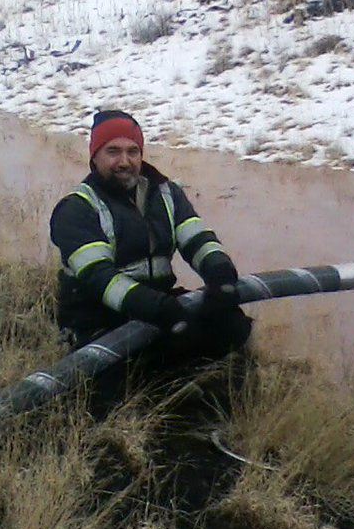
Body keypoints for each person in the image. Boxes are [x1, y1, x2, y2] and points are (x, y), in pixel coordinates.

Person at [49, 110, 252, 359]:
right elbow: (100, 278)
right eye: (113, 151)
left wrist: (221, 275)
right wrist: (162, 310)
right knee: (148, 368)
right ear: (95, 157)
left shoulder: (166, 192)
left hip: (157, 305)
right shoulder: (77, 208)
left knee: (233, 326)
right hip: (98, 320)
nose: (124, 161)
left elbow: (199, 241)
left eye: (132, 151)